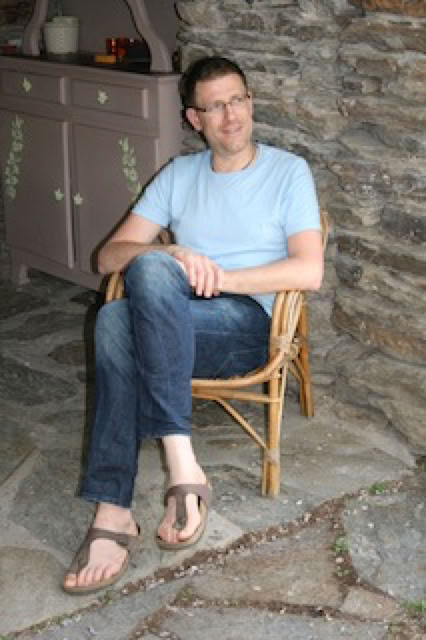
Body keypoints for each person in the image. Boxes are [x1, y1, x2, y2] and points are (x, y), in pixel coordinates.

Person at [63, 55, 324, 594]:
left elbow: (309, 270)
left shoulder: (288, 172)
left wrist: (220, 277)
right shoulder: (178, 176)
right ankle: (179, 469)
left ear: (250, 102)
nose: (231, 116)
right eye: (215, 107)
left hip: (247, 324)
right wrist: (175, 253)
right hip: (173, 317)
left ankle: (113, 510)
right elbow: (109, 256)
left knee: (117, 320)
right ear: (194, 119)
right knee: (138, 287)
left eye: (238, 100)